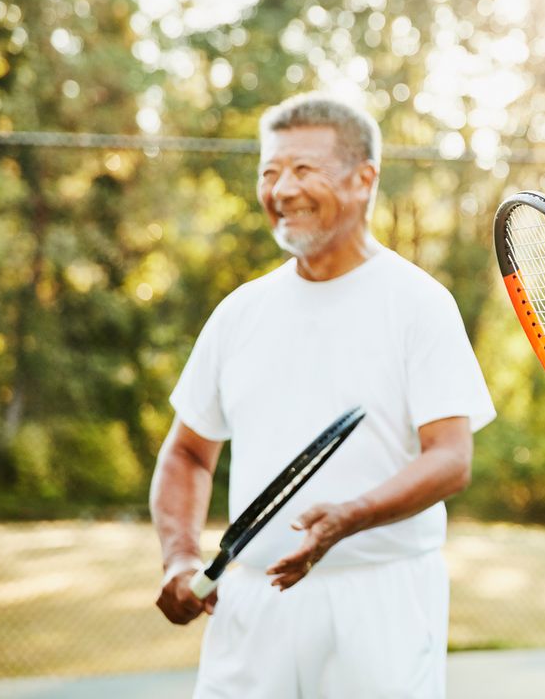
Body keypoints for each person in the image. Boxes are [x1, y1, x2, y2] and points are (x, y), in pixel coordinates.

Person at [151, 93, 495, 698]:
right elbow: (187, 454)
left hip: (380, 598)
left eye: (303, 169)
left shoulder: (418, 304)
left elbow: (449, 458)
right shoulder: (240, 312)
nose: (282, 189)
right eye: (269, 172)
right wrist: (180, 558)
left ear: (364, 179)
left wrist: (348, 518)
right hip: (249, 603)